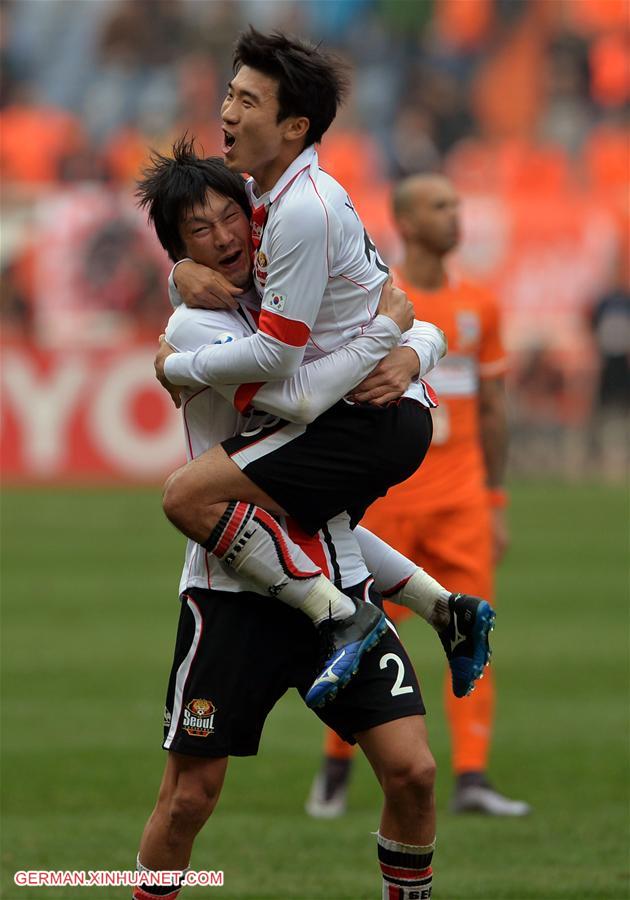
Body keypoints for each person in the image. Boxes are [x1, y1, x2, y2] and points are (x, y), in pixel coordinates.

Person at [132, 142, 474, 900]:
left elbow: (418, 321)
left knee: (415, 773)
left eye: (232, 217)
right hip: (233, 590)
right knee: (189, 798)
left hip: (336, 566)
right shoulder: (195, 328)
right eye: (199, 231)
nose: (224, 237)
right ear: (178, 248)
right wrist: (388, 338)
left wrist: (415, 348)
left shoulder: (290, 290)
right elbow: (294, 389)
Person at [152, 29, 494, 709]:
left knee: (190, 496)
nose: (227, 111)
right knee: (304, 513)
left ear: (293, 125)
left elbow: (296, 385)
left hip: (364, 419)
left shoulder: (300, 212)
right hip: (389, 410)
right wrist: (178, 275)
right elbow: (394, 310)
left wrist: (179, 366)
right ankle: (447, 611)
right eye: (229, 92)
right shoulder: (270, 201)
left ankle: (340, 617)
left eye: (247, 100)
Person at [307, 174, 530, 819]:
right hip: (392, 498)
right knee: (361, 631)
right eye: (440, 206)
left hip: (461, 498)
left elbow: (491, 406)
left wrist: (496, 500)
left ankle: (473, 777)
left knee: (472, 621)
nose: (455, 216)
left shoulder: (480, 305)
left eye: (458, 204)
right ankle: (335, 766)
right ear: (404, 222)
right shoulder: (380, 303)